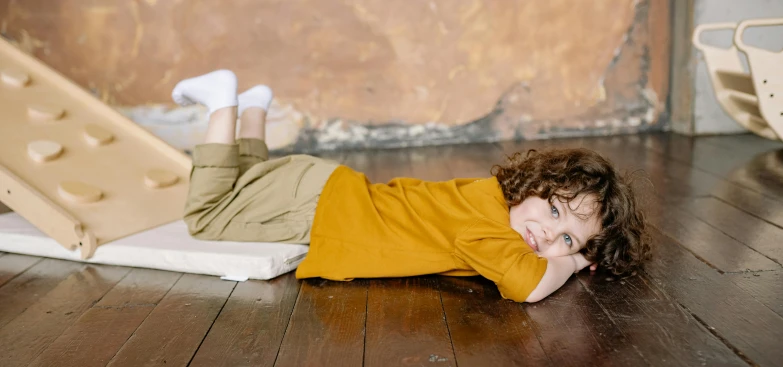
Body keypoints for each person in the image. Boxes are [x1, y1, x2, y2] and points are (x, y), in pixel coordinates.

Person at [172, 70, 650, 303]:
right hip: (318, 210)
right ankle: (222, 105)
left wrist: (575, 248)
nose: (547, 236)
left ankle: (253, 106)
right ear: (534, 188)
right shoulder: (493, 233)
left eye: (566, 236)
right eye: (552, 211)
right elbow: (528, 288)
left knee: (245, 185)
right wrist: (571, 259)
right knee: (209, 216)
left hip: (319, 189)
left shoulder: (488, 196)